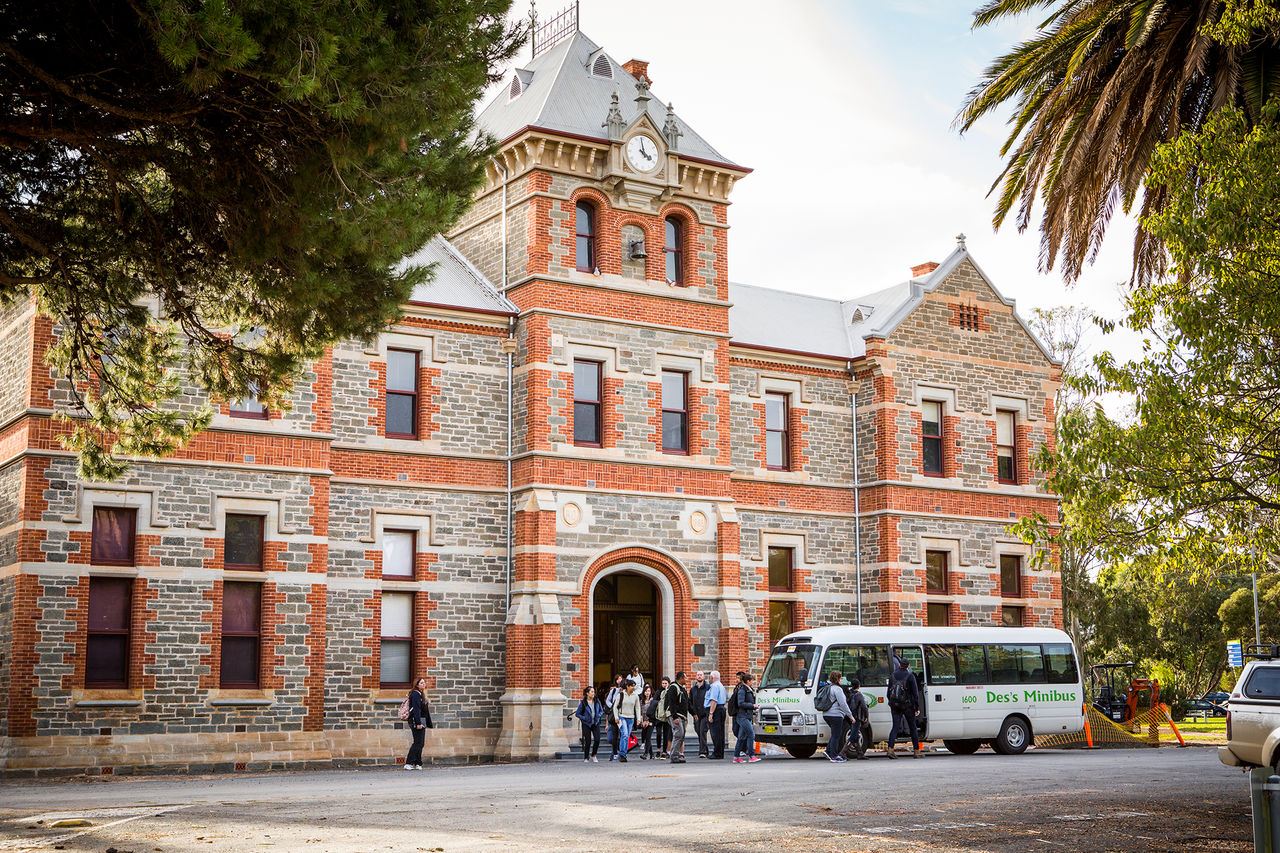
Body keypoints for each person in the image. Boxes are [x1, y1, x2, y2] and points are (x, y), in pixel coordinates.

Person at [886, 657, 923, 758]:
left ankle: (890, 749)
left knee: (895, 727)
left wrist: (893, 703)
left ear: (899, 665)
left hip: (895, 706)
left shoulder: (892, 676)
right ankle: (916, 751)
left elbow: (888, 693)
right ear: (908, 666)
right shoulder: (910, 676)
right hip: (908, 706)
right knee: (913, 728)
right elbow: (915, 694)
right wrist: (916, 707)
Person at [821, 670, 852, 763]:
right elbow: (843, 703)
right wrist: (850, 715)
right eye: (841, 678)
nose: (841, 680)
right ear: (838, 679)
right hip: (836, 715)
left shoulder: (827, 688)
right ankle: (834, 756)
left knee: (835, 733)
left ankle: (828, 751)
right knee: (836, 735)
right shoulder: (837, 689)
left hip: (826, 714)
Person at [403, 676, 433, 770]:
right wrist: (418, 723)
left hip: (421, 720)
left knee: (420, 743)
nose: (424, 684)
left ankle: (418, 763)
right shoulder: (415, 694)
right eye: (421, 683)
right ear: (416, 685)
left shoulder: (420, 694)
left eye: (424, 682)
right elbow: (416, 710)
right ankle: (409, 763)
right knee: (418, 742)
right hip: (417, 720)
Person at [732, 672, 760, 763]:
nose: (753, 682)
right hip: (742, 716)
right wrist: (752, 706)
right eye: (752, 681)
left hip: (747, 716)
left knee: (741, 737)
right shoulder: (742, 690)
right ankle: (752, 755)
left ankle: (736, 757)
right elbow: (741, 703)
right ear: (748, 681)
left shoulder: (749, 689)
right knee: (751, 734)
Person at [664, 671, 690, 763]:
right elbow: (672, 703)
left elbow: (687, 703)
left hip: (681, 715)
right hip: (675, 715)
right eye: (685, 677)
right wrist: (674, 716)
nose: (687, 679)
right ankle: (674, 756)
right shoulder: (673, 688)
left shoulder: (682, 688)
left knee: (681, 735)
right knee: (678, 733)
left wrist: (693, 713)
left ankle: (676, 755)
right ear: (681, 678)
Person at [613, 677, 642, 762]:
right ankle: (622, 754)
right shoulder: (621, 695)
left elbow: (637, 708)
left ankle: (624, 754)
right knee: (625, 735)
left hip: (631, 718)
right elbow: (615, 707)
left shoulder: (635, 696)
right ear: (627, 686)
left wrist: (638, 718)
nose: (633, 688)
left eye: (634, 686)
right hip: (622, 717)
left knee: (627, 736)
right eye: (632, 686)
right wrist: (616, 717)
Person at [574, 685, 604, 763]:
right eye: (592, 692)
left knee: (597, 739)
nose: (593, 693)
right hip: (587, 724)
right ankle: (586, 757)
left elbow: (601, 710)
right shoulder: (583, 703)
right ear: (587, 693)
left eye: (594, 692)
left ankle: (593, 754)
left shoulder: (597, 701)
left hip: (595, 723)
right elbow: (577, 714)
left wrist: (598, 715)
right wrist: (585, 718)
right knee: (588, 741)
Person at [845, 677, 871, 760]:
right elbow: (864, 707)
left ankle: (860, 753)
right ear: (858, 685)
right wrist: (866, 716)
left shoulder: (849, 693)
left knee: (855, 735)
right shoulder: (858, 694)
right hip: (857, 717)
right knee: (853, 736)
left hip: (850, 716)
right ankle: (843, 752)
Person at [704, 670, 728, 759]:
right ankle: (720, 752)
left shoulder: (714, 686)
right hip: (721, 709)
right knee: (720, 732)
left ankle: (717, 752)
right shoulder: (721, 685)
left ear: (711, 677)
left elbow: (713, 700)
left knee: (715, 732)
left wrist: (711, 713)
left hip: (715, 710)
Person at [689, 671, 710, 758]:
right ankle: (705, 749)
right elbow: (690, 702)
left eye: (701, 675)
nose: (699, 676)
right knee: (698, 731)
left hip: (705, 714)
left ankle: (703, 751)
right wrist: (693, 713)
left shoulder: (708, 687)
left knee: (702, 731)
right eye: (698, 675)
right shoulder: (693, 689)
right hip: (696, 715)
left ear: (704, 677)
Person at [604, 674, 625, 760]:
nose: (620, 680)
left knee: (623, 734)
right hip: (614, 715)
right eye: (618, 679)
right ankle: (615, 753)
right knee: (614, 735)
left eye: (621, 678)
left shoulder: (625, 691)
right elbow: (608, 700)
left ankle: (621, 752)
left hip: (623, 714)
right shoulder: (614, 691)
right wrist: (612, 706)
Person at [638, 684, 657, 759]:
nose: (647, 693)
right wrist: (642, 721)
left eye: (648, 691)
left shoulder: (652, 701)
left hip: (650, 721)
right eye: (646, 691)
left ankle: (645, 754)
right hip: (644, 721)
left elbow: (653, 712)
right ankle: (652, 754)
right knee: (646, 737)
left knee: (648, 737)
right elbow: (640, 712)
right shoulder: (641, 701)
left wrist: (648, 721)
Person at [655, 676, 673, 757]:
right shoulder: (658, 692)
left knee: (666, 734)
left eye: (666, 683)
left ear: (669, 684)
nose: (664, 685)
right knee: (658, 733)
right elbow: (654, 702)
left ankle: (664, 751)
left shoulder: (670, 692)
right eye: (663, 683)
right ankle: (658, 749)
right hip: (659, 716)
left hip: (667, 716)